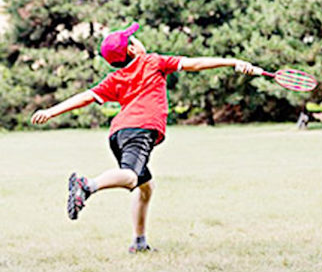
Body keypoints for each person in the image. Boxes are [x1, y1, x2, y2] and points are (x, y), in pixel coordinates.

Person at [31, 22, 256, 253]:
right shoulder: (152, 61)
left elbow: (85, 96)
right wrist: (233, 62)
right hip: (140, 129)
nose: (138, 40)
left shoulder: (116, 77)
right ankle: (87, 185)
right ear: (132, 50)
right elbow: (194, 63)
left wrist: (50, 111)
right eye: (133, 39)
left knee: (145, 186)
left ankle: (139, 242)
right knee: (130, 177)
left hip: (119, 133)